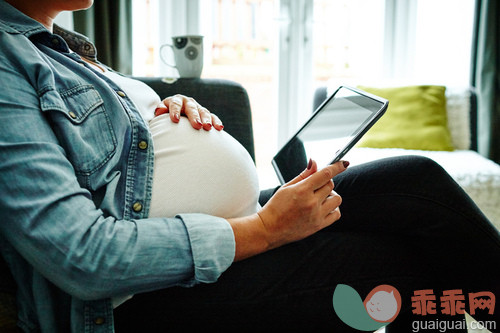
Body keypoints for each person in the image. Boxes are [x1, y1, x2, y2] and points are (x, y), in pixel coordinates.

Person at [0, 1, 498, 332]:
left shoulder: (66, 49)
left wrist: (163, 107)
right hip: (141, 297)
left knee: (415, 181)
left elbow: (110, 147)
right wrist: (266, 229)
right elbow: (82, 257)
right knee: (400, 270)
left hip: (233, 228)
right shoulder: (6, 60)